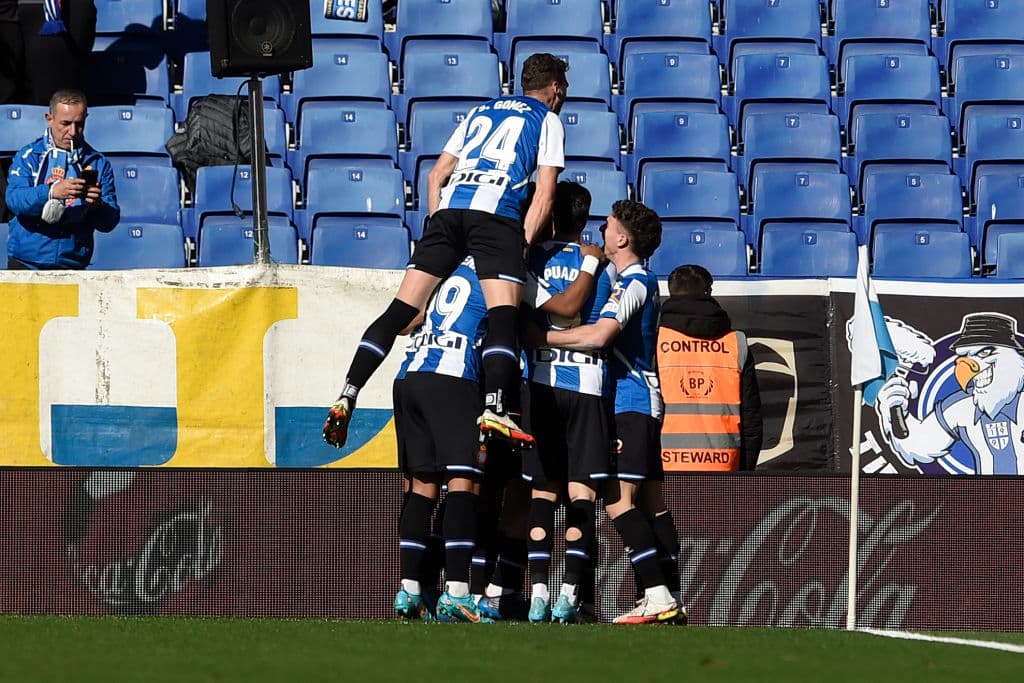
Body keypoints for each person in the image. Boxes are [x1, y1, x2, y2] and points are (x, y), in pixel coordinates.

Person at [324, 52, 569, 451]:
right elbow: (544, 194)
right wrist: (518, 247)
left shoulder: (478, 112)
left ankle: (348, 392)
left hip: (449, 212)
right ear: (555, 89)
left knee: (399, 311)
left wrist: (444, 234)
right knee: (503, 316)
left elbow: (436, 175)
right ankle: (496, 407)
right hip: (497, 217)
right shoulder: (548, 120)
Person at [543, 199, 682, 625]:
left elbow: (602, 335)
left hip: (631, 403)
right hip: (642, 403)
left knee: (616, 501)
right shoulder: (635, 279)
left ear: (622, 238)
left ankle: (658, 594)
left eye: (607, 227)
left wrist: (542, 336)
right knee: (653, 503)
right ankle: (665, 595)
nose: (601, 232)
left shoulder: (634, 282)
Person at [516, 181, 614, 623]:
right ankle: (569, 595)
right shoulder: (604, 267)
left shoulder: (531, 260)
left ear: (550, 215)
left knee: (541, 492)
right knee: (582, 494)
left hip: (540, 381)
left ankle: (536, 592)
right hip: (589, 385)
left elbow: (541, 312)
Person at [391, 256, 495, 623]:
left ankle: (410, 591)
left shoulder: (438, 264)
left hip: (410, 375)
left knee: (422, 486)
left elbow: (405, 323)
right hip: (453, 376)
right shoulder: (494, 265)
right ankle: (457, 593)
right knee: (463, 482)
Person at [659, 264, 763, 472]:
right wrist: (744, 471)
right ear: (708, 293)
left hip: (665, 464)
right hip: (724, 463)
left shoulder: (656, 341)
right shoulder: (736, 342)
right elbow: (751, 416)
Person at [5, 88, 119, 269]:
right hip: (26, 263)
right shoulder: (28, 156)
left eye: (79, 124)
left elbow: (109, 222)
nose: (73, 132)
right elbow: (14, 200)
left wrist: (97, 206)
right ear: (49, 119)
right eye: (65, 123)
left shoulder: (98, 163)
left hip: (72, 266)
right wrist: (50, 192)